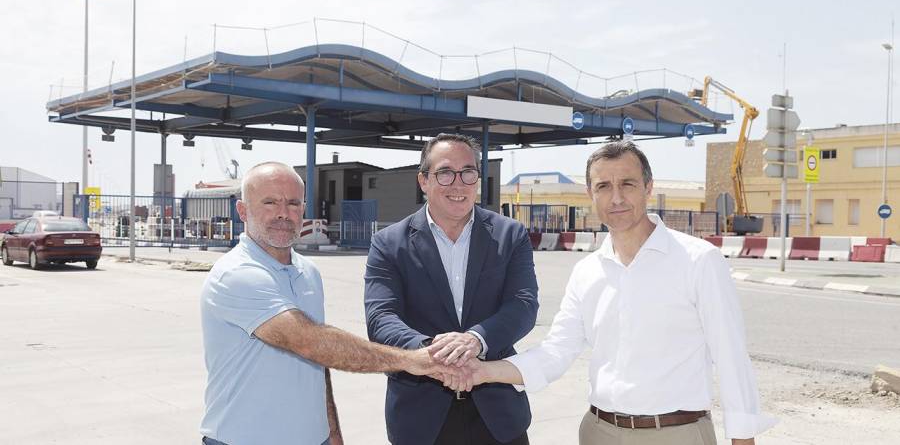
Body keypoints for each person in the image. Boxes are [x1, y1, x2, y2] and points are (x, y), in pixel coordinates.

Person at [453, 141, 776, 445]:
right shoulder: (587, 271)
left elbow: (731, 357)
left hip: (676, 433)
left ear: (648, 188)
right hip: (598, 432)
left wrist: (743, 437)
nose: (616, 198)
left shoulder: (699, 260)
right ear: (590, 194)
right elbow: (556, 352)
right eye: (603, 186)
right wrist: (483, 372)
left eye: (628, 184)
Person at [200, 162, 462, 445]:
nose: (282, 213)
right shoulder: (237, 274)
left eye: (292, 203)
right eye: (269, 202)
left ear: (303, 209)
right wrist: (410, 360)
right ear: (242, 211)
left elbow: (319, 359)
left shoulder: (308, 272)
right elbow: (309, 341)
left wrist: (333, 432)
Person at [364, 133, 539, 445]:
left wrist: (475, 340)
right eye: (445, 173)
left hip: (498, 415)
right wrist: (436, 352)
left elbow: (523, 305)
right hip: (421, 418)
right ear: (424, 181)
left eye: (468, 172)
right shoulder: (389, 243)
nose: (458, 184)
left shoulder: (510, 235)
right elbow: (381, 318)